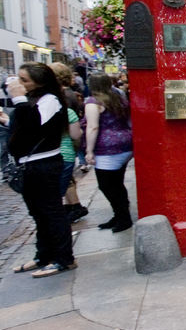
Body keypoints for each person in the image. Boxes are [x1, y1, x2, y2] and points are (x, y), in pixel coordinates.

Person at [6, 62, 76, 278]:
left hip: (44, 164)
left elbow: (33, 126)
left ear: (39, 81)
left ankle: (64, 258)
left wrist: (18, 100)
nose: (20, 84)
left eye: (24, 80)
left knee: (52, 212)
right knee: (38, 213)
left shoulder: (50, 101)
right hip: (29, 165)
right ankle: (43, 255)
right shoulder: (31, 100)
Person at [84, 73, 134, 232]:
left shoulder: (93, 103)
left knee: (107, 186)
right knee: (117, 184)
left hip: (107, 149)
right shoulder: (118, 99)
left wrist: (89, 151)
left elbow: (93, 127)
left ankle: (123, 218)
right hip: (126, 144)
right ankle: (120, 215)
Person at [48, 63, 88, 223]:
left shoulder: (63, 96)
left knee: (62, 183)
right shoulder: (69, 93)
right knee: (68, 178)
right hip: (68, 142)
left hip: (65, 143)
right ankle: (74, 205)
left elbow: (69, 122)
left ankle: (73, 207)